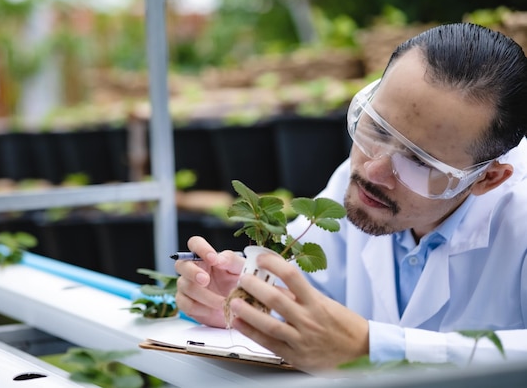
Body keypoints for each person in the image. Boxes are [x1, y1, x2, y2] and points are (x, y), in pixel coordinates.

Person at [174, 22, 527, 373]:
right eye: (376, 127)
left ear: (488, 178)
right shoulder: (360, 178)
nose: (373, 171)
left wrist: (372, 348)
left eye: (419, 162)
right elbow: (307, 289)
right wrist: (246, 295)